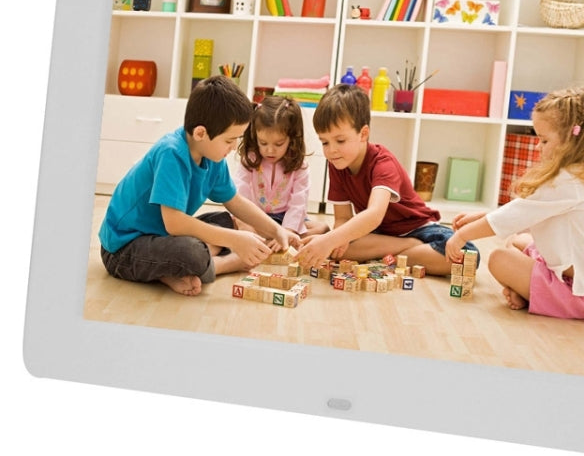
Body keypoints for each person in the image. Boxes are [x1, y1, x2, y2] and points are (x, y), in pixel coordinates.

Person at [99, 75, 299, 297]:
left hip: (161, 236)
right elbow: (174, 223)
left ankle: (175, 269)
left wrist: (276, 230)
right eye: (229, 140)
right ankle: (222, 264)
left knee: (226, 221)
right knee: (193, 252)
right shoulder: (171, 153)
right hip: (123, 248)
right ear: (201, 133)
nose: (234, 147)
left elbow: (235, 201)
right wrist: (235, 241)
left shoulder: (212, 156)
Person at [446, 87, 584, 319]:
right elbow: (523, 212)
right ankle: (529, 292)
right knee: (516, 241)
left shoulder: (567, 183)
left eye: (544, 140)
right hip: (582, 281)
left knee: (499, 259)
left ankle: (532, 294)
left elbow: (514, 216)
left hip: (581, 294)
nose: (537, 146)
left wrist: (463, 236)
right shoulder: (574, 176)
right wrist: (479, 217)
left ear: (571, 141)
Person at [296, 83, 476, 275]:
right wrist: (336, 240)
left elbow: (374, 214)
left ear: (363, 134)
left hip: (418, 230)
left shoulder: (383, 163)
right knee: (339, 249)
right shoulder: (337, 163)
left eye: (340, 141)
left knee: (467, 256)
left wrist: (330, 240)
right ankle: (406, 250)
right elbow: (342, 218)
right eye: (325, 142)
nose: (331, 150)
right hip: (380, 235)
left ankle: (401, 250)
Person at [233, 94, 329, 237]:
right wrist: (245, 224)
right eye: (263, 143)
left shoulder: (299, 166)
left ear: (292, 138)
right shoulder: (250, 159)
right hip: (258, 217)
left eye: (279, 144)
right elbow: (240, 192)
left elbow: (298, 203)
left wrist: (288, 231)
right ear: (255, 136)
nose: (270, 150)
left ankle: (275, 237)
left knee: (322, 229)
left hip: (285, 218)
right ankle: (270, 237)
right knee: (234, 223)